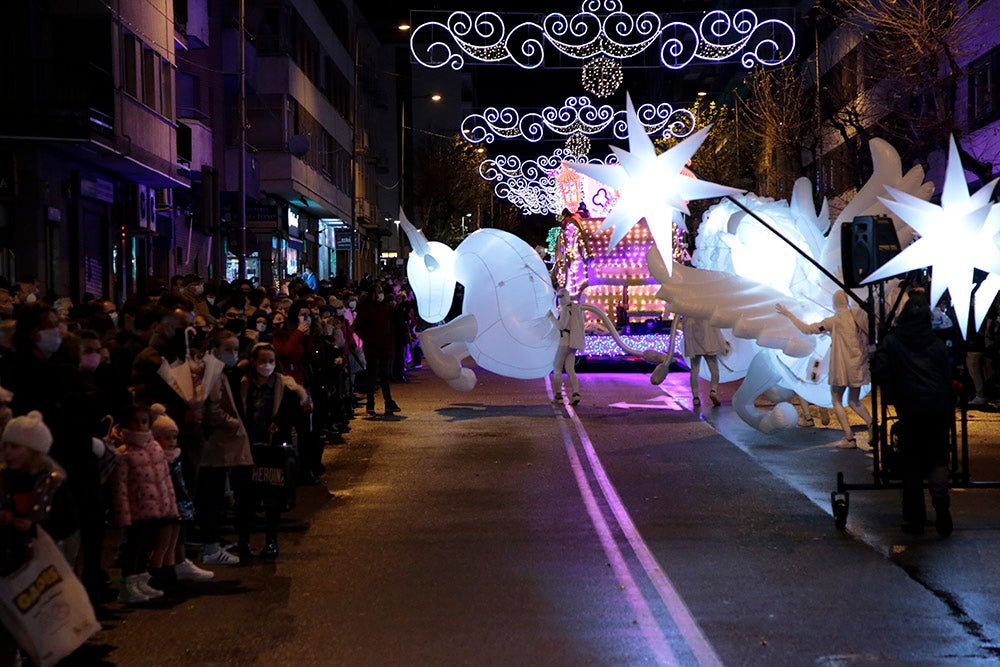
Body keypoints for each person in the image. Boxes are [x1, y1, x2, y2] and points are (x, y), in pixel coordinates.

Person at [872, 295, 954, 536]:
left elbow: (881, 373)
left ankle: (916, 519)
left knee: (912, 464)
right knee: (938, 458)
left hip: (909, 409)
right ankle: (941, 506)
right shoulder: (936, 344)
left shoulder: (892, 341)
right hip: (937, 409)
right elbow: (946, 375)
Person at [0, 411, 77, 665]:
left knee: (39, 624)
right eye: (5, 445)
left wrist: (33, 528)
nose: (8, 452)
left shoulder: (51, 482)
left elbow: (66, 522)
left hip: (40, 564)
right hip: (6, 561)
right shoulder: (3, 478)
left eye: (15, 446)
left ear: (33, 450)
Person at [235, 343, 310, 558]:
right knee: (245, 498)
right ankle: (244, 541)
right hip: (247, 447)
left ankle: (271, 541)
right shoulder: (243, 384)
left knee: (272, 497)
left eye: (270, 361)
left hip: (273, 450)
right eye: (261, 361)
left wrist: (280, 422)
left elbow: (297, 416)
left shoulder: (286, 387)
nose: (265, 366)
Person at [776, 291, 873, 448]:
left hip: (842, 368)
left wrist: (789, 315)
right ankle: (871, 423)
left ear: (834, 303)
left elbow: (807, 329)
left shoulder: (833, 321)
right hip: (858, 366)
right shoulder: (857, 317)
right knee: (854, 401)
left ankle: (849, 438)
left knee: (836, 400)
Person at [109, 402, 178, 604]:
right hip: (137, 509)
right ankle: (129, 584)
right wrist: (123, 514)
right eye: (136, 422)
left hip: (156, 508)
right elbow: (120, 488)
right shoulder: (124, 453)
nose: (140, 426)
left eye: (144, 421)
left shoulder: (155, 447)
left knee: (147, 545)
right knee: (134, 547)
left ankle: (141, 580)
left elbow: (165, 480)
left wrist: (170, 506)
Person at [149, 404, 214, 591]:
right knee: (162, 542)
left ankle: (171, 571)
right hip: (163, 504)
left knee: (172, 537)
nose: (171, 442)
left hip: (177, 502)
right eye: (166, 438)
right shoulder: (157, 457)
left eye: (173, 438)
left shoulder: (176, 456)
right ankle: (159, 574)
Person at [352, 282, 400, 416]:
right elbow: (359, 327)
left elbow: (389, 326)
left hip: (384, 346)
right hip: (373, 347)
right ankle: (370, 403)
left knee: (385, 375)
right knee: (372, 376)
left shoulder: (384, 307)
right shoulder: (366, 308)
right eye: (378, 291)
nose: (380, 294)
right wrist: (369, 339)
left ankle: (388, 402)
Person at [682, 315, 725, 408]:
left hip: (694, 343)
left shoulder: (688, 312)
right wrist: (722, 344)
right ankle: (713, 390)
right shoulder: (706, 310)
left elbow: (685, 327)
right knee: (714, 369)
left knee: (694, 370)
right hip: (709, 342)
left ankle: (695, 397)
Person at [552, 288, 585, 405]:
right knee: (570, 369)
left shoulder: (565, 309)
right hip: (573, 342)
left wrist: (551, 317)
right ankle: (576, 393)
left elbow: (561, 326)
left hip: (564, 342)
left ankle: (558, 396)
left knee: (557, 368)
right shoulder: (576, 308)